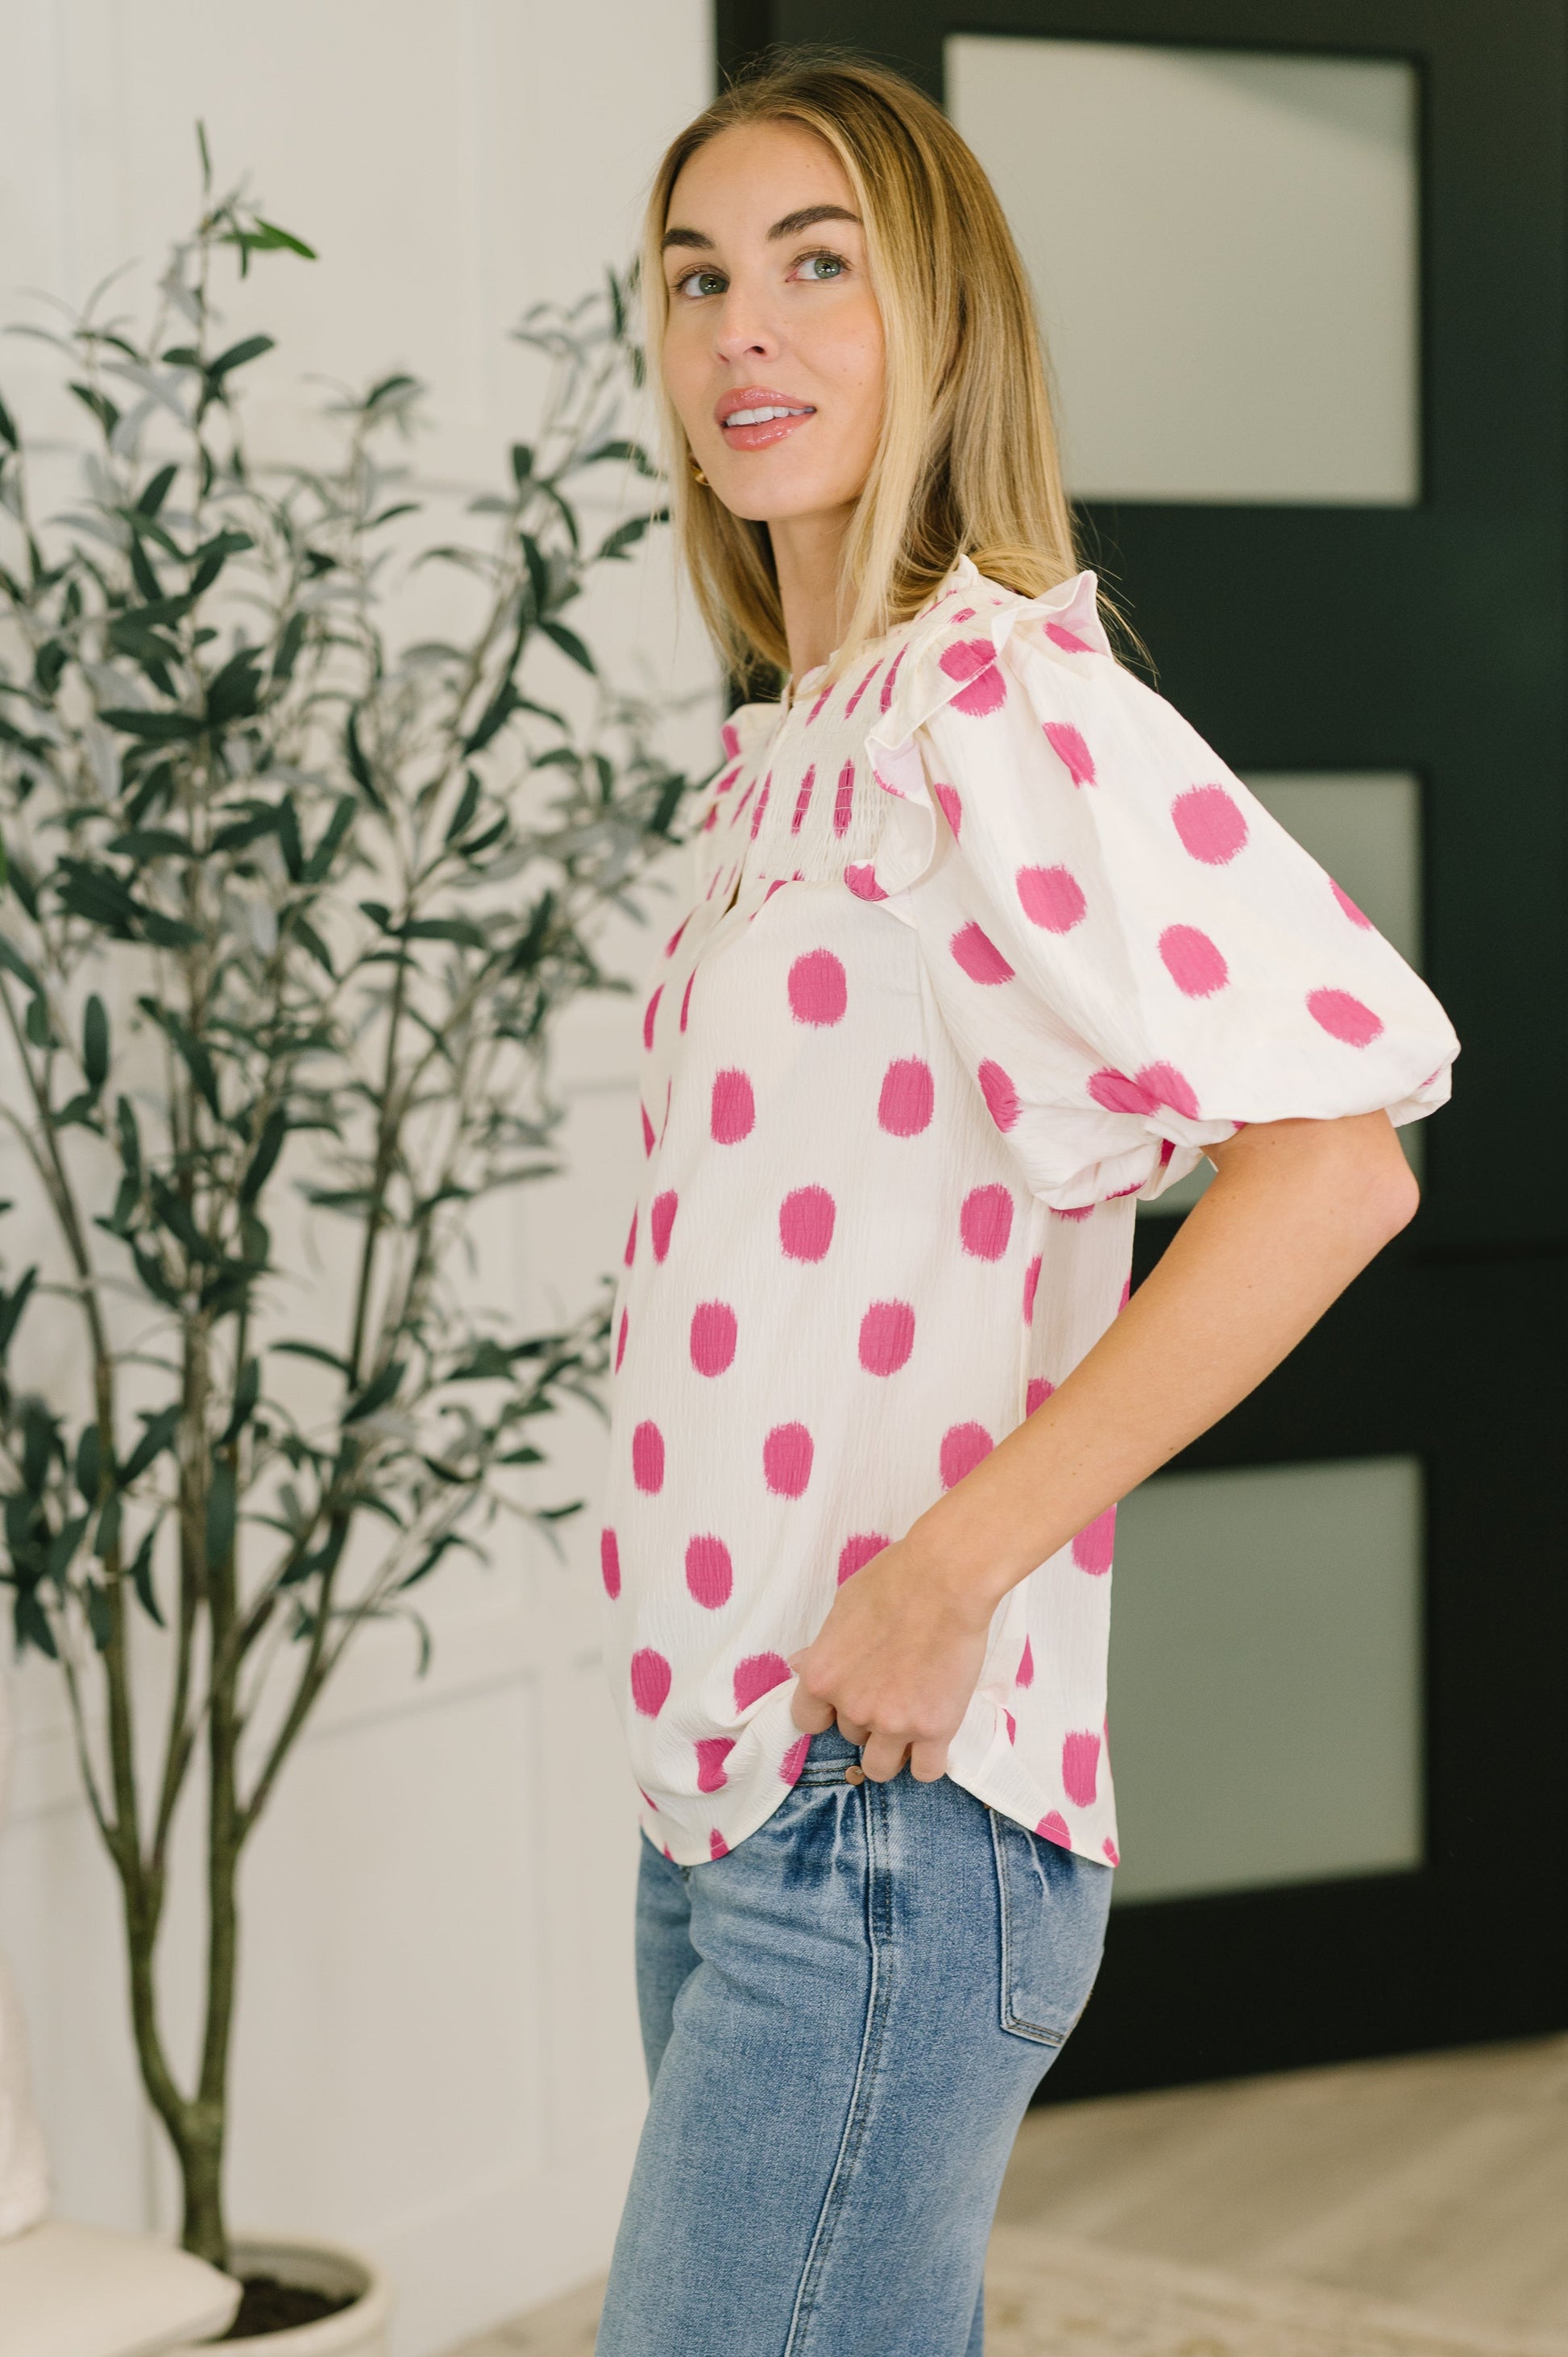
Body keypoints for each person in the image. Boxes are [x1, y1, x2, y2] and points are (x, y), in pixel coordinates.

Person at [591, 50, 1460, 2357]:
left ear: (943, 322)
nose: (742, 332)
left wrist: (947, 1571)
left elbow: (1335, 1165)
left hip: (884, 1807)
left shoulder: (995, 708)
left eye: (818, 267)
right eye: (696, 277)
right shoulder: (785, 753)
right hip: (729, 1787)